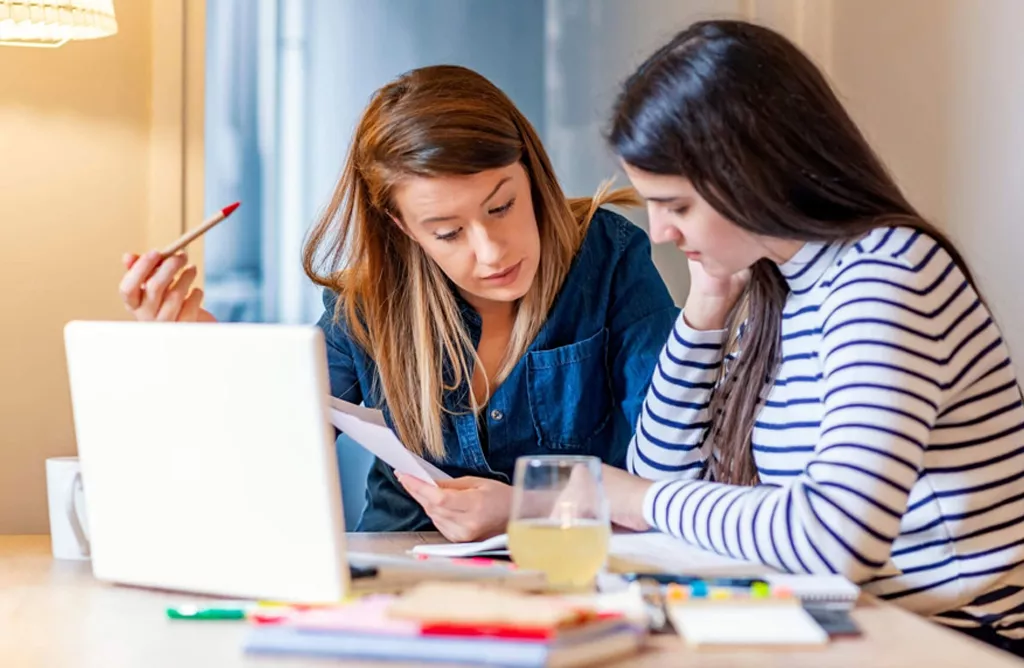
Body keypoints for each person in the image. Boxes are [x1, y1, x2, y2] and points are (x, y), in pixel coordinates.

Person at [598, 20, 1024, 654]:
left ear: (750, 172)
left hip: (957, 643)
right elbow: (656, 474)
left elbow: (834, 539)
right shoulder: (786, 285)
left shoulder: (887, 273)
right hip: (860, 628)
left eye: (677, 205)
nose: (659, 231)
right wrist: (707, 307)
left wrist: (645, 500)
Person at [117, 64, 678, 541]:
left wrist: (524, 509)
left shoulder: (609, 258)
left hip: (570, 573)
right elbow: (272, 459)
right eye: (446, 232)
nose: (490, 252)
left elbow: (667, 474)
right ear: (402, 226)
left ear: (530, 172)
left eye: (501, 206)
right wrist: (194, 350)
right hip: (394, 575)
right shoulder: (366, 304)